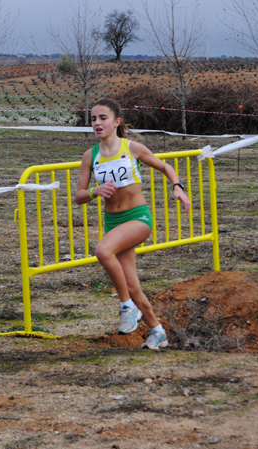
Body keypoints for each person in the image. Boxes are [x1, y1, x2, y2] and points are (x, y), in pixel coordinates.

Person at [74, 98, 190, 349]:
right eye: (93, 118)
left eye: (102, 118)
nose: (96, 123)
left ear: (116, 122)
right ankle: (157, 331)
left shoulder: (132, 148)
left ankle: (126, 306)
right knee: (133, 286)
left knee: (103, 251)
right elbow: (78, 196)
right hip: (112, 222)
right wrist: (96, 191)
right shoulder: (89, 156)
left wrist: (178, 188)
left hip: (137, 218)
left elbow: (164, 166)